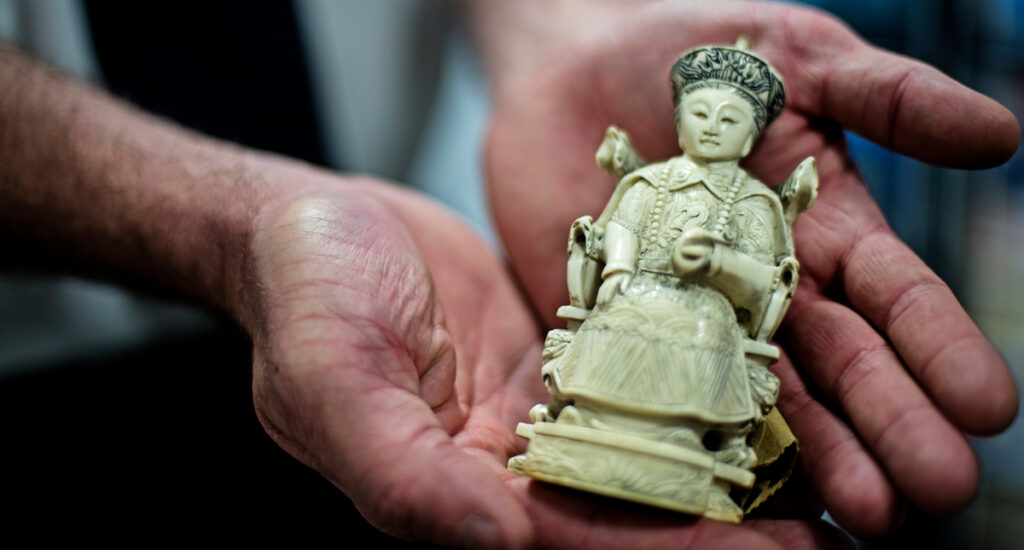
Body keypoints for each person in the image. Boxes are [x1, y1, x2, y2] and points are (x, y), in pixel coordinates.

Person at [0, 1, 1018, 548]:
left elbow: (766, 282)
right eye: (698, 114)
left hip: (665, 327)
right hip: (41, 360)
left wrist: (565, 32)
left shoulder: (753, 199)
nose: (709, 129)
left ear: (751, 131)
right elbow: (615, 236)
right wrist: (611, 256)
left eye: (727, 121)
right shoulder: (650, 178)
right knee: (611, 318)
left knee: (695, 335)